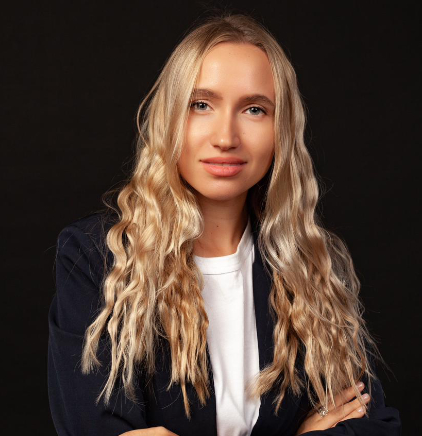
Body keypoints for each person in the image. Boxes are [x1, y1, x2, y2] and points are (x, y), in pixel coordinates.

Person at [47, 12, 401, 436]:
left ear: (282, 129)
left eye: (254, 109)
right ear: (169, 117)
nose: (225, 137)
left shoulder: (310, 263)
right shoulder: (96, 257)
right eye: (201, 105)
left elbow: (374, 424)